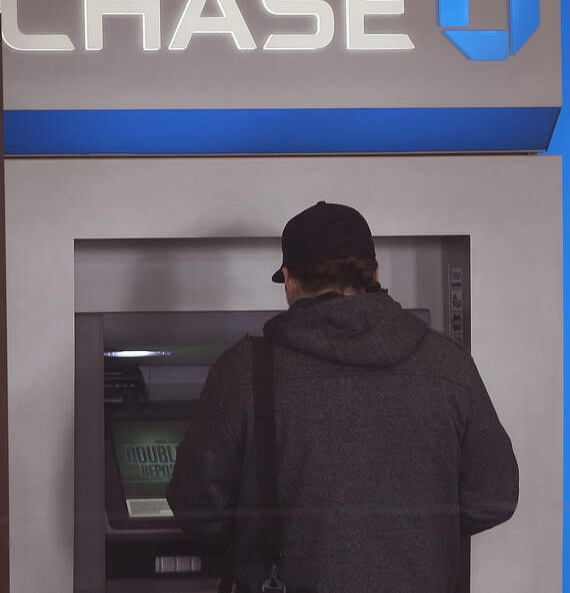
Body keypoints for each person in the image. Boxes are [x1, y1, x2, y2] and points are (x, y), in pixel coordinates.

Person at [167, 201, 518, 592]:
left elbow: (197, 510)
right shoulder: (448, 364)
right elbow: (494, 498)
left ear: (289, 281)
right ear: (375, 274)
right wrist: (417, 535)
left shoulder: (244, 370)